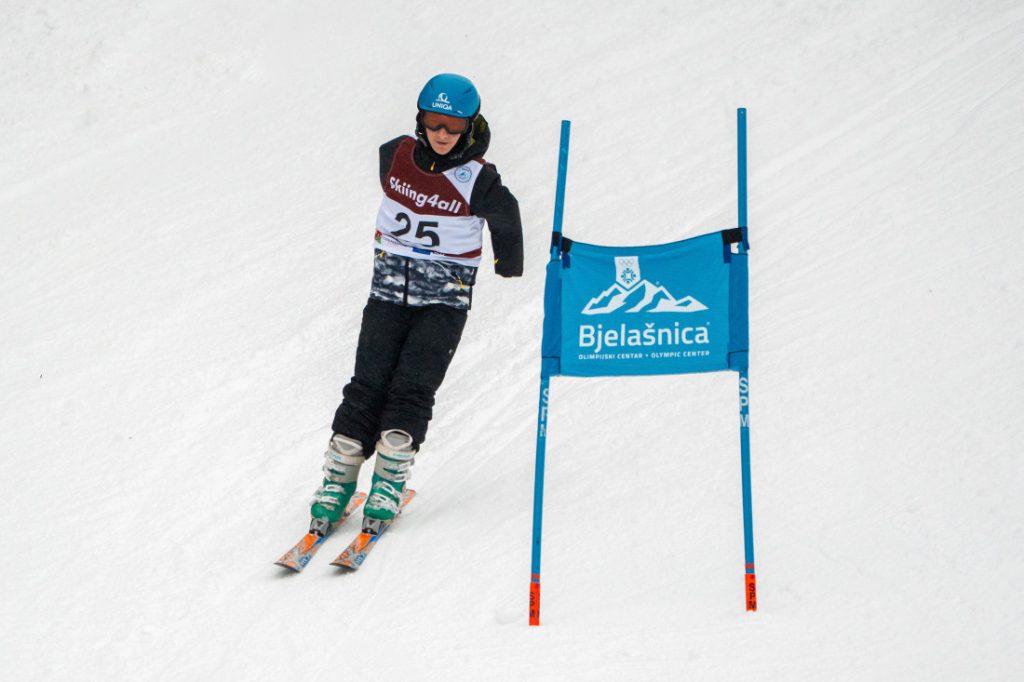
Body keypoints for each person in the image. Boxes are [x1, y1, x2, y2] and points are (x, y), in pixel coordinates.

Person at [307, 73, 523, 536]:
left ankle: (388, 480)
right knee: (367, 382)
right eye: (433, 122)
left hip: (444, 300)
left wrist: (508, 261)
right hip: (387, 292)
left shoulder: (478, 179)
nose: (442, 134)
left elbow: (507, 214)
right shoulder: (395, 154)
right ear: (420, 119)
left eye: (454, 126)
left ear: (470, 126)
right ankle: (339, 477)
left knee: (412, 387)